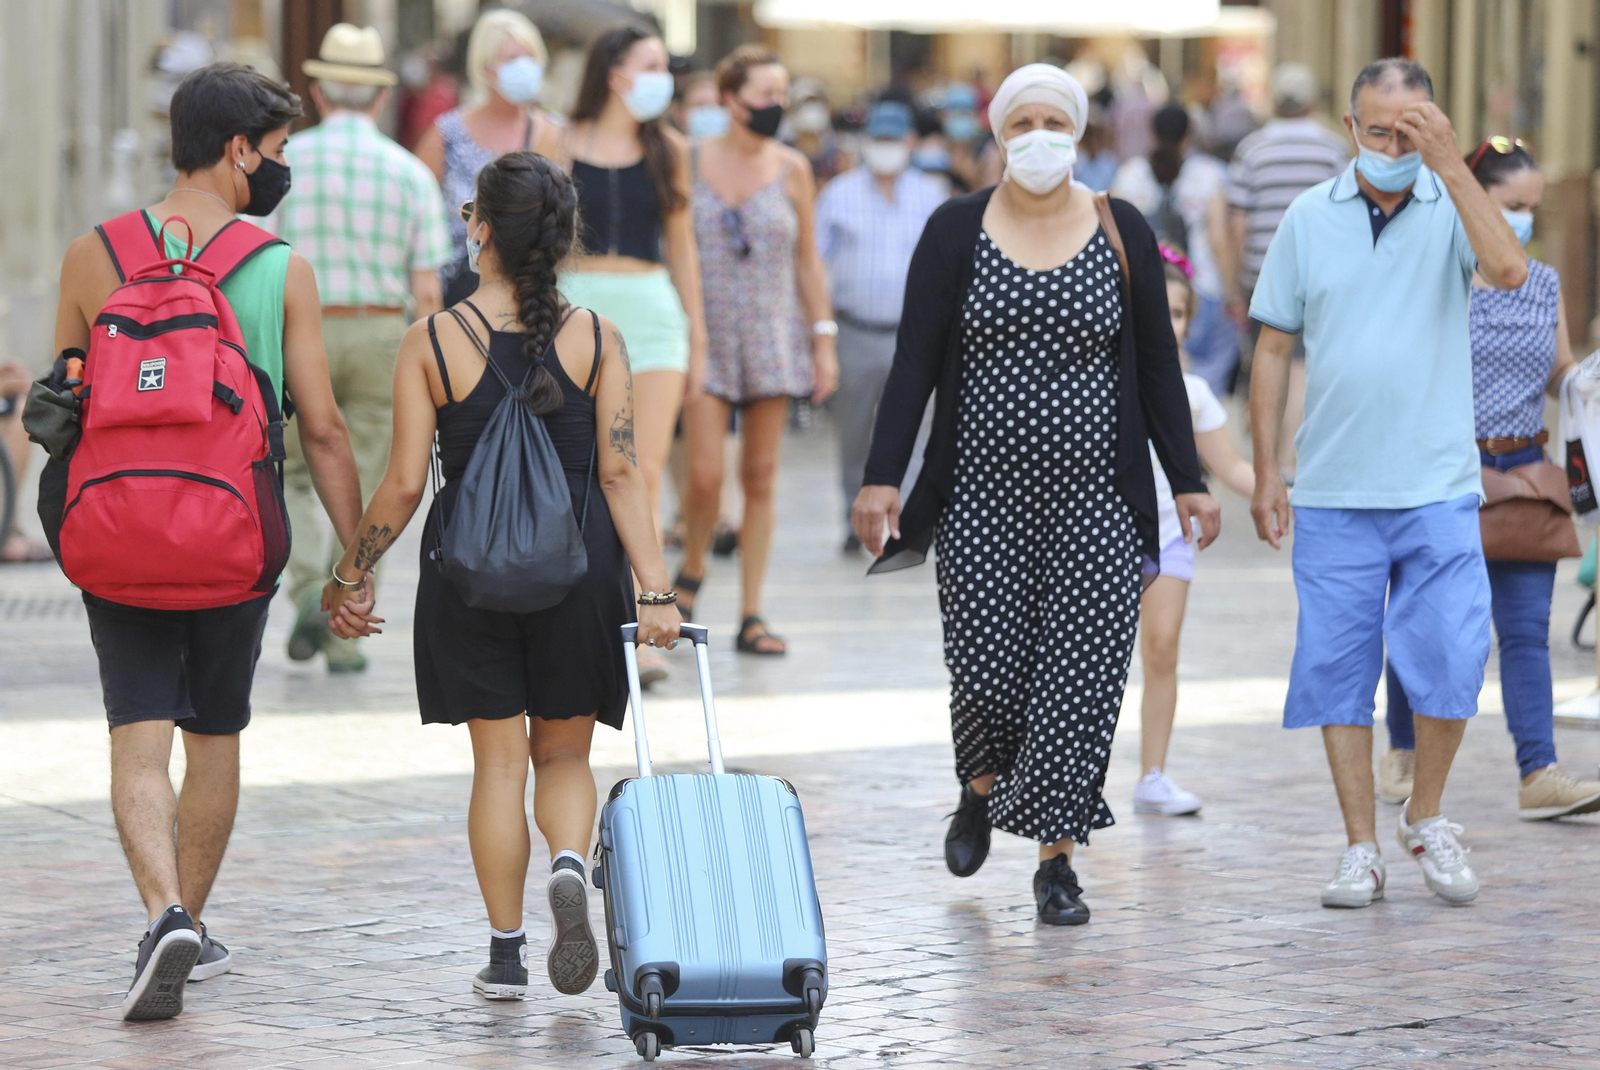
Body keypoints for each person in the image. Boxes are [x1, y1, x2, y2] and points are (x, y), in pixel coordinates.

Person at [853, 64, 1220, 925]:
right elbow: (913, 363)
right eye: (1023, 122)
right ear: (998, 133)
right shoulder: (955, 229)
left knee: (1082, 677)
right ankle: (979, 786)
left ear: (1082, 130)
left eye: (1056, 120)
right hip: (981, 496)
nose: (1039, 136)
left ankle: (1057, 860)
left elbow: (1160, 370)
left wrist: (1191, 482)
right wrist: (881, 476)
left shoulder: (1117, 225)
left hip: (1097, 495)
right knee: (985, 669)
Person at [318, 152, 682, 1000]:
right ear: (560, 239)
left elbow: (405, 482)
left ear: (478, 227)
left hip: (469, 572)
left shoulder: (432, 340)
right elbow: (625, 474)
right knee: (563, 755)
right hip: (579, 569)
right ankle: (566, 860)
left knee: (498, 767)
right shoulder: (599, 337)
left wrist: (351, 571)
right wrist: (656, 590)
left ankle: (508, 953)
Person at [49, 64, 364, 1019]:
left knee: (136, 732)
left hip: (114, 529)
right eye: (275, 153)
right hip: (233, 534)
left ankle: (164, 914)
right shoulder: (278, 268)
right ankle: (192, 916)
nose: (279, 170)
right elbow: (322, 430)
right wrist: (353, 560)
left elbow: (62, 405)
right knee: (214, 728)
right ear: (238, 152)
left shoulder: (89, 255)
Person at [1248, 59, 1529, 910]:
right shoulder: (1307, 217)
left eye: (1413, 130)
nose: (1394, 146)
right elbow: (1271, 346)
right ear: (1349, 128)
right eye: (1380, 132)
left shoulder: (1455, 205)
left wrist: (1451, 165)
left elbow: (1509, 271)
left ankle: (1429, 817)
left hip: (1438, 483)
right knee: (1338, 670)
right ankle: (1360, 847)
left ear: (1437, 126)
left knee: (1450, 654)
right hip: (1334, 486)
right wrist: (1266, 469)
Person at [1380, 140, 1600, 822]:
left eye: (1534, 208)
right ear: (1470, 199)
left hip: (1525, 473)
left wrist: (1585, 379)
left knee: (1527, 631)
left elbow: (1560, 370)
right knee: (1422, 619)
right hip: (1444, 473)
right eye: (1512, 206)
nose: (1525, 220)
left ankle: (1539, 772)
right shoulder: (1433, 278)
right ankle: (1402, 751)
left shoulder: (1543, 283)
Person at [274, 24, 453, 673]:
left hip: (301, 329)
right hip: (381, 333)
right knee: (373, 484)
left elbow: (259, 260)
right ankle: (343, 628)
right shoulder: (407, 172)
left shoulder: (286, 160)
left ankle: (301, 592)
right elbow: (426, 285)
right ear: (379, 99)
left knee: (292, 471)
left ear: (318, 92)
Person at [558, 26, 707, 686]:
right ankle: (576, 613)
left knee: (640, 472)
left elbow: (683, 247)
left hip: (651, 312)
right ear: (614, 72)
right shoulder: (556, 141)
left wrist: (697, 336)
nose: (662, 77)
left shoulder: (669, 147)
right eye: (649, 65)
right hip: (574, 308)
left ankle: (647, 621)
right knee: (579, 471)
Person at [677, 45, 839, 655]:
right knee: (705, 475)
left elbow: (809, 262)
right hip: (706, 334)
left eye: (781, 94)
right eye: (763, 95)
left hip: (772, 334)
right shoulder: (689, 161)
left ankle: (752, 611)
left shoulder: (794, 167)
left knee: (762, 475)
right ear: (728, 99)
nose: (774, 106)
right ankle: (692, 568)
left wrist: (823, 340)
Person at [1134, 247, 1255, 817]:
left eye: (1179, 313)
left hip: (1169, 538)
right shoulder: (1097, 387)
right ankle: (1072, 769)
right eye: (1157, 310)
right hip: (1098, 538)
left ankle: (1153, 775)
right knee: (1090, 660)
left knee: (1161, 649)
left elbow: (1230, 469)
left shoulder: (1195, 394)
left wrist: (1284, 490)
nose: (1168, 323)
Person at [814, 101, 946, 550]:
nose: (887, 149)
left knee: (916, 427)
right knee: (852, 431)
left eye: (895, 140)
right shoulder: (839, 194)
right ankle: (856, 517)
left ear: (911, 142)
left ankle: (903, 519)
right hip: (854, 329)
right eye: (880, 140)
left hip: (914, 335)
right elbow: (814, 262)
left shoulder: (931, 195)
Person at [1222, 62, 1346, 448]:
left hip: (1263, 274)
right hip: (1320, 274)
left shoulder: (1252, 148)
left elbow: (1237, 223)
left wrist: (1236, 285)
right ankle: (1292, 459)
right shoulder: (1332, 148)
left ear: (1275, 101)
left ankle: (1271, 456)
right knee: (1302, 366)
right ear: (1311, 102)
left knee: (1269, 362)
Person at [415, 9, 563, 306]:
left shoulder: (555, 134)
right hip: (457, 292)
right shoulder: (448, 134)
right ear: (485, 68)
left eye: (530, 57)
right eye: (511, 59)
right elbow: (418, 212)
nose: (524, 67)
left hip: (529, 291)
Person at [1111, 105, 1236, 395]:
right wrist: (1231, 292)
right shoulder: (1210, 174)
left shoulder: (1130, 174)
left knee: (1151, 377)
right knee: (1203, 376)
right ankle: (1199, 429)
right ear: (1188, 135)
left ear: (1152, 133)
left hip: (1141, 289)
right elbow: (1218, 238)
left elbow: (1113, 238)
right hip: (1199, 286)